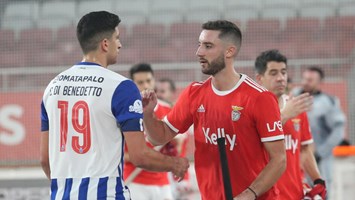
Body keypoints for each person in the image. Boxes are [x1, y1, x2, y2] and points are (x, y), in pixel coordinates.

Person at [39, 11, 189, 199]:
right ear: (105, 44)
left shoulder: (52, 88)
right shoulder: (121, 87)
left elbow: (45, 160)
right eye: (117, 38)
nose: (120, 44)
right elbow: (139, 155)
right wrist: (175, 164)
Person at [141, 20, 286, 200]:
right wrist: (147, 115)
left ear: (229, 51)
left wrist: (248, 195)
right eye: (199, 44)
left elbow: (279, 160)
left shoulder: (259, 98)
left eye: (208, 46)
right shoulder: (194, 93)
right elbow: (158, 137)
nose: (199, 52)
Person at [255, 49, 326, 199]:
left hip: (295, 193)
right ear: (260, 78)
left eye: (283, 72)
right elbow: (252, 143)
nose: (281, 78)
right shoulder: (251, 108)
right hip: (265, 195)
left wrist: (317, 180)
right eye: (273, 73)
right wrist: (285, 115)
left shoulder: (297, 106)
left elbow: (304, 149)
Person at [124, 63, 176, 200]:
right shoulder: (125, 112)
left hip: (163, 183)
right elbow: (120, 154)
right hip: (135, 182)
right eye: (140, 82)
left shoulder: (168, 111)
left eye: (148, 81)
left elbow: (176, 148)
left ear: (154, 81)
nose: (145, 85)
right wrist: (143, 157)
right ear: (133, 84)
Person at [293, 66, 346, 198]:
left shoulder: (328, 102)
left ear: (320, 82)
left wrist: (320, 152)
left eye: (310, 80)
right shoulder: (293, 96)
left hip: (320, 160)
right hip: (295, 159)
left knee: (320, 193)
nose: (306, 82)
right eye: (304, 79)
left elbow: (338, 131)